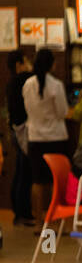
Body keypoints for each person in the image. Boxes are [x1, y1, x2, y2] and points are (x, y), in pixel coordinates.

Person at [23, 48, 71, 223]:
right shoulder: (56, 85)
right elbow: (62, 112)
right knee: (55, 181)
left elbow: (27, 109)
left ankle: (38, 222)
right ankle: (56, 219)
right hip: (56, 138)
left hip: (35, 137)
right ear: (52, 64)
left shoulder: (28, 84)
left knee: (37, 181)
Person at [5, 49, 35, 225]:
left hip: (15, 130)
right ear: (19, 65)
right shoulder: (24, 80)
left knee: (20, 171)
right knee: (25, 173)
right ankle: (23, 213)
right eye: (26, 61)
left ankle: (19, 212)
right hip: (23, 131)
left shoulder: (11, 83)